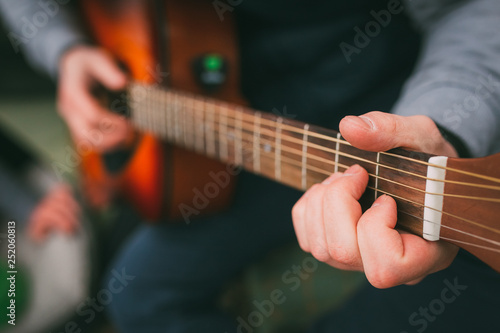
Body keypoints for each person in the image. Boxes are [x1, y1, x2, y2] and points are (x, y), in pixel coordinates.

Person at [1, 0, 499, 332]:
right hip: (198, 134)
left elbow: (471, 7)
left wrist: (441, 124)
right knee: (135, 296)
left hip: (367, 114)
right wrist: (63, 51)